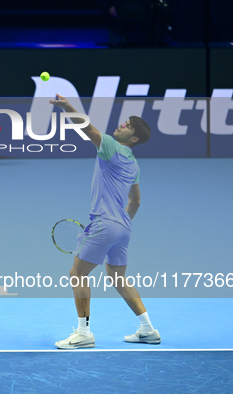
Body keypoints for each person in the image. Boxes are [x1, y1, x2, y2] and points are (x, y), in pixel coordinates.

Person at [49, 94, 160, 349]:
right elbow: (136, 202)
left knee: (77, 274)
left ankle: (84, 333)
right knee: (119, 278)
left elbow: (87, 128)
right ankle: (148, 329)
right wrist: (120, 224)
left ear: (134, 139)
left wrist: (66, 106)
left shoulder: (109, 145)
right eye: (124, 122)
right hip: (124, 228)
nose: (121, 125)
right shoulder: (134, 164)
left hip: (105, 224)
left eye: (127, 126)